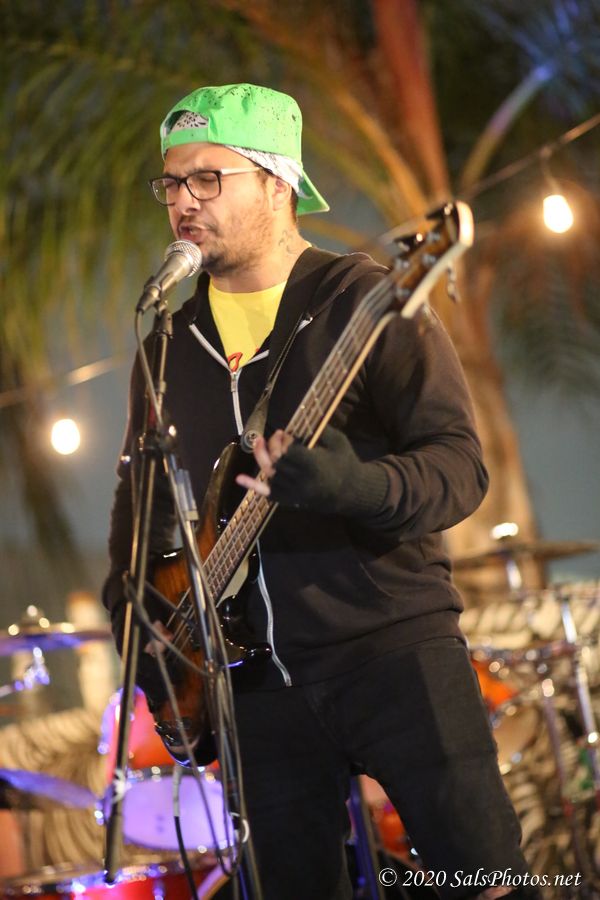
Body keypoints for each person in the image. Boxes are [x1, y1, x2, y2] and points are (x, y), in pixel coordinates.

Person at [103, 83, 535, 899]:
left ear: (277, 182)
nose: (184, 202)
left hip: (393, 654)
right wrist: (150, 641)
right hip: (250, 692)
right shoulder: (166, 344)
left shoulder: (365, 301)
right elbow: (141, 511)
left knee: (482, 877)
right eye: (172, 183)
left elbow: (459, 468)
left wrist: (351, 485)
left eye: (208, 178)